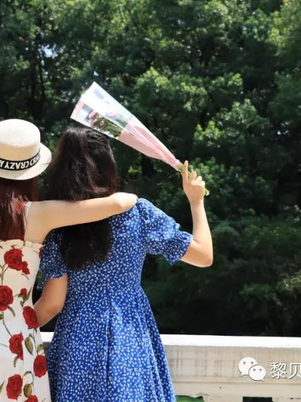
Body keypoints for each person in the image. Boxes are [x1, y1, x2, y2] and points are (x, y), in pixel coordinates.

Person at [0, 119, 138, 402]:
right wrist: (134, 196)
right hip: (16, 341)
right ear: (31, 171)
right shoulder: (40, 215)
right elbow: (119, 203)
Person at [34, 126, 213, 402]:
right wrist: (196, 202)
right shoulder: (137, 213)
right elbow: (204, 256)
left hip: (78, 340)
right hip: (129, 334)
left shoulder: (58, 226)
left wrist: (9, 328)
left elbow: (51, 305)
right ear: (108, 165)